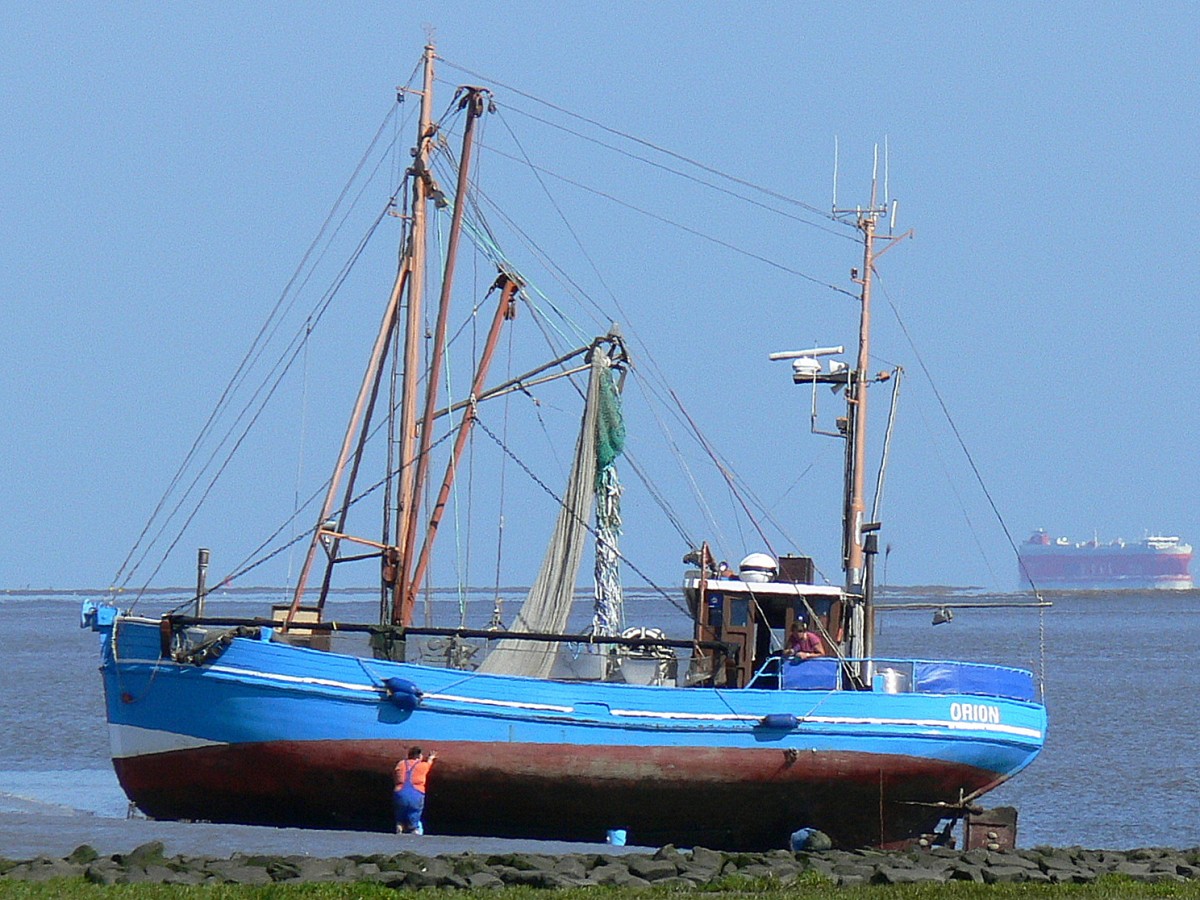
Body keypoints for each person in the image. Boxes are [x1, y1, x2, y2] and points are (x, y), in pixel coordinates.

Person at [393, 746, 436, 834]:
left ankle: (399, 826)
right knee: (415, 812)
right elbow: (429, 763)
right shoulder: (422, 765)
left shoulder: (401, 763)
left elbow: (395, 774)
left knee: (400, 811)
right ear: (419, 756)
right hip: (416, 793)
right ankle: (414, 828)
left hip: (400, 792)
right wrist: (431, 757)